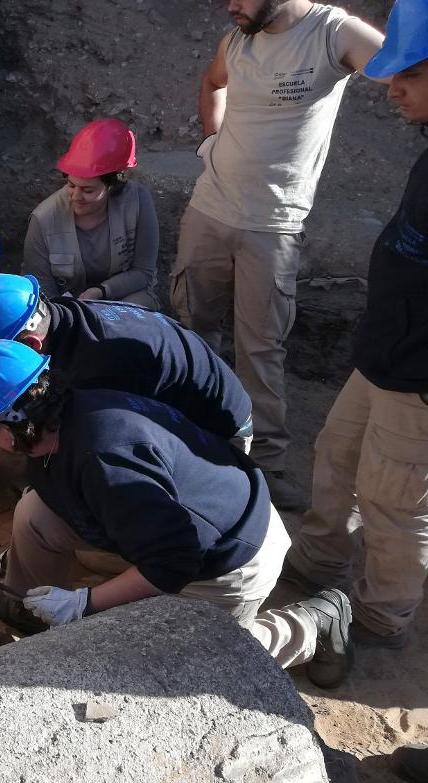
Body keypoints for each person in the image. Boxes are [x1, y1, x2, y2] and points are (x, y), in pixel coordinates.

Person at [0, 339, 352, 688]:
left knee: (169, 671)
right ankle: (40, 612)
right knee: (36, 511)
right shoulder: (66, 416)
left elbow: (173, 562)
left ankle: (311, 625)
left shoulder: (105, 462)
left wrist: (85, 603)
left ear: (10, 429)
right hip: (177, 517)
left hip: (227, 559)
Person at [273, 0, 428, 779]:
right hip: (382, 355)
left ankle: (380, 618)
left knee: (394, 499)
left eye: (407, 73)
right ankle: (320, 567)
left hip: (420, 378)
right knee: (334, 455)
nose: (389, 86)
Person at [171, 0, 384, 511]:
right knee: (192, 328)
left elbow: (407, 65)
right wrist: (212, 143)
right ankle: (191, 439)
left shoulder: (334, 34)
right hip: (209, 212)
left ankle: (264, 463)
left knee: (260, 348)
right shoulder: (238, 40)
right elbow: (213, 83)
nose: (229, 7)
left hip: (274, 224)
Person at [0, 273, 253, 485]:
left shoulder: (93, 371)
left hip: (215, 431)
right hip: (173, 390)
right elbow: (1, 375)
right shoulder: (52, 316)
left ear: (32, 344)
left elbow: (105, 441)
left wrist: (48, 491)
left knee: (96, 522)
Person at [23, 119, 160, 309]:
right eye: (71, 185)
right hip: (67, 309)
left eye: (88, 190)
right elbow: (41, 293)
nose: (76, 197)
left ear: (113, 185)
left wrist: (102, 292)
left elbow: (143, 272)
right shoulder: (44, 220)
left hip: (124, 298)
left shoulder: (137, 202)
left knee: (134, 311)